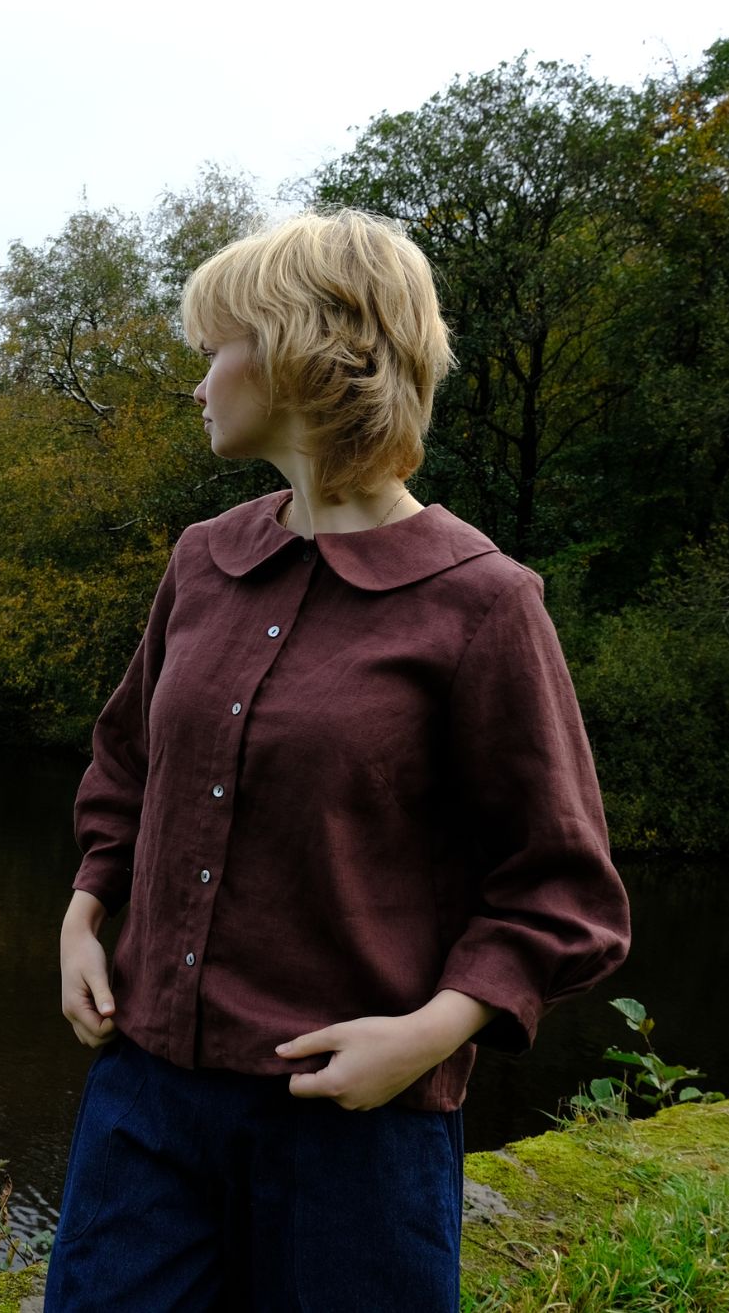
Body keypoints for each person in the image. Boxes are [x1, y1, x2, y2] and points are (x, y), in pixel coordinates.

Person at [45, 209, 630, 1312]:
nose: (200, 382)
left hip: (354, 1133)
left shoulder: (483, 604)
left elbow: (562, 890)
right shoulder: (204, 563)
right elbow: (125, 764)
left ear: (303, 353)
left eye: (217, 347)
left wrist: (428, 1036)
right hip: (144, 1108)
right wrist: (86, 909)